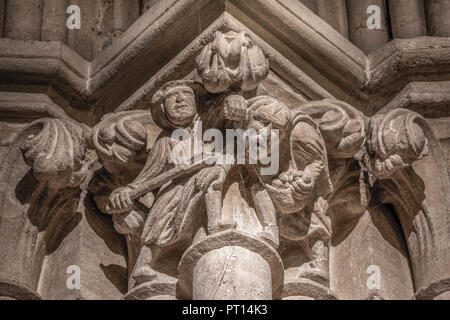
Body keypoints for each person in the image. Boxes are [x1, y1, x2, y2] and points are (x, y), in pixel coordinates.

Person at [107, 80, 235, 285]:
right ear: (163, 112)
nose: (178, 99)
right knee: (159, 229)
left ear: (197, 102)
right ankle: (143, 264)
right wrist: (125, 192)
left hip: (202, 182)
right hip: (174, 191)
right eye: (170, 98)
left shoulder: (210, 134)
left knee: (211, 178)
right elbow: (147, 178)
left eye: (185, 94)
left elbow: (231, 151)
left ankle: (214, 225)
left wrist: (234, 99)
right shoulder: (166, 142)